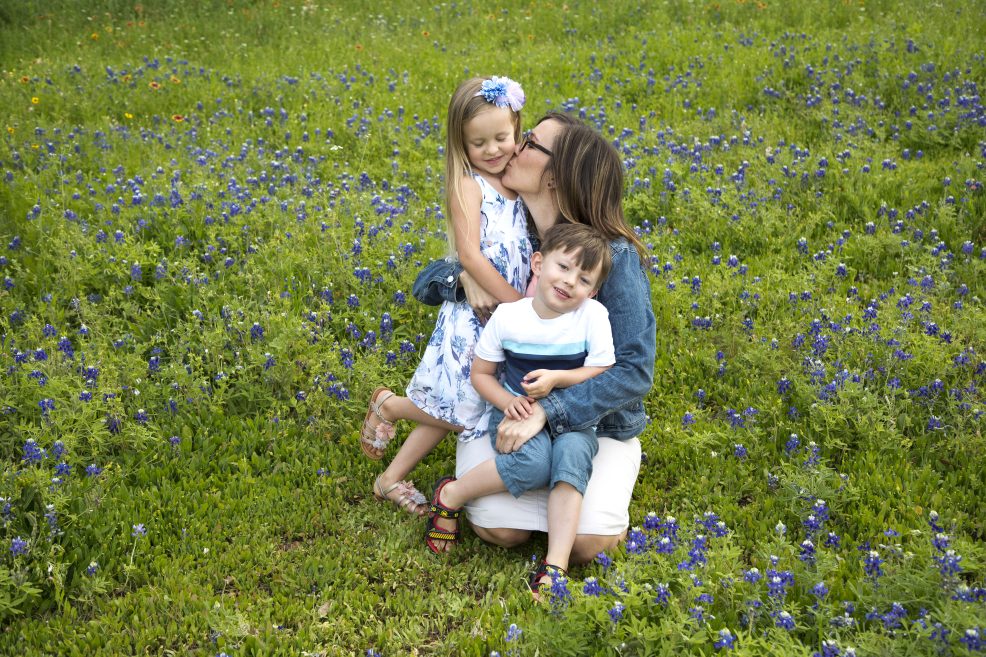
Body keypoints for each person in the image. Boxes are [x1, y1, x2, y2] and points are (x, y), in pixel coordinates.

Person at [422, 113, 656, 594]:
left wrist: (550, 411)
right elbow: (427, 279)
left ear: (555, 175)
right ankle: (479, 486)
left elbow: (634, 371)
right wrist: (463, 278)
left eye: (529, 142)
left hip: (593, 423)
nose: (513, 147)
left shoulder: (610, 257)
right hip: (509, 404)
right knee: (499, 530)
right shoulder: (511, 225)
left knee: (590, 543)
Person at [357, 76, 533, 517]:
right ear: (460, 144)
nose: (493, 150)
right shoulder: (469, 185)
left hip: (507, 315)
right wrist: (517, 307)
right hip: (477, 316)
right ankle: (391, 406)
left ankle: (389, 477)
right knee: (461, 411)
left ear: (517, 131)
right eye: (479, 143)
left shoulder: (519, 182)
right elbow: (470, 257)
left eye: (502, 137)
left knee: (455, 406)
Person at [424, 223, 614, 561]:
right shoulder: (509, 317)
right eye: (564, 267)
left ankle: (555, 565)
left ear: (594, 291)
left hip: (572, 415)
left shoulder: (593, 316)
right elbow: (480, 375)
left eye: (584, 280)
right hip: (515, 407)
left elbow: (600, 369)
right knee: (535, 463)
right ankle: (452, 493)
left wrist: (557, 378)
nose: (570, 281)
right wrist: (508, 402)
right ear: (539, 265)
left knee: (571, 459)